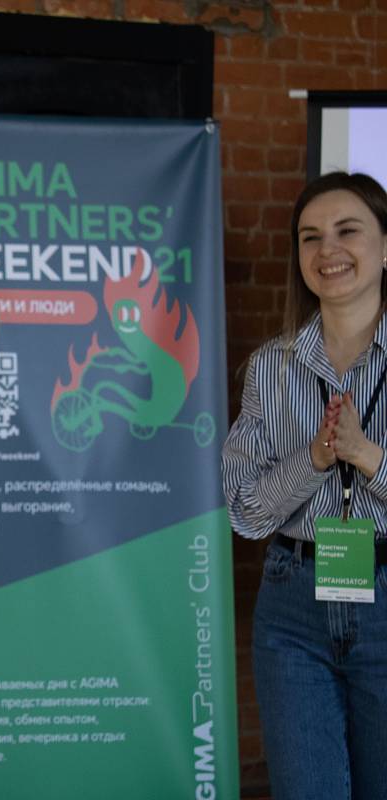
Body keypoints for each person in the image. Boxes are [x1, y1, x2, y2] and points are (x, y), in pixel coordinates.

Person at [222, 171, 387, 800]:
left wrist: (366, 455)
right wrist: (314, 458)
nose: (327, 250)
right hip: (293, 609)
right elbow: (245, 511)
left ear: (385, 246)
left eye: (348, 230)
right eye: (310, 236)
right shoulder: (271, 367)